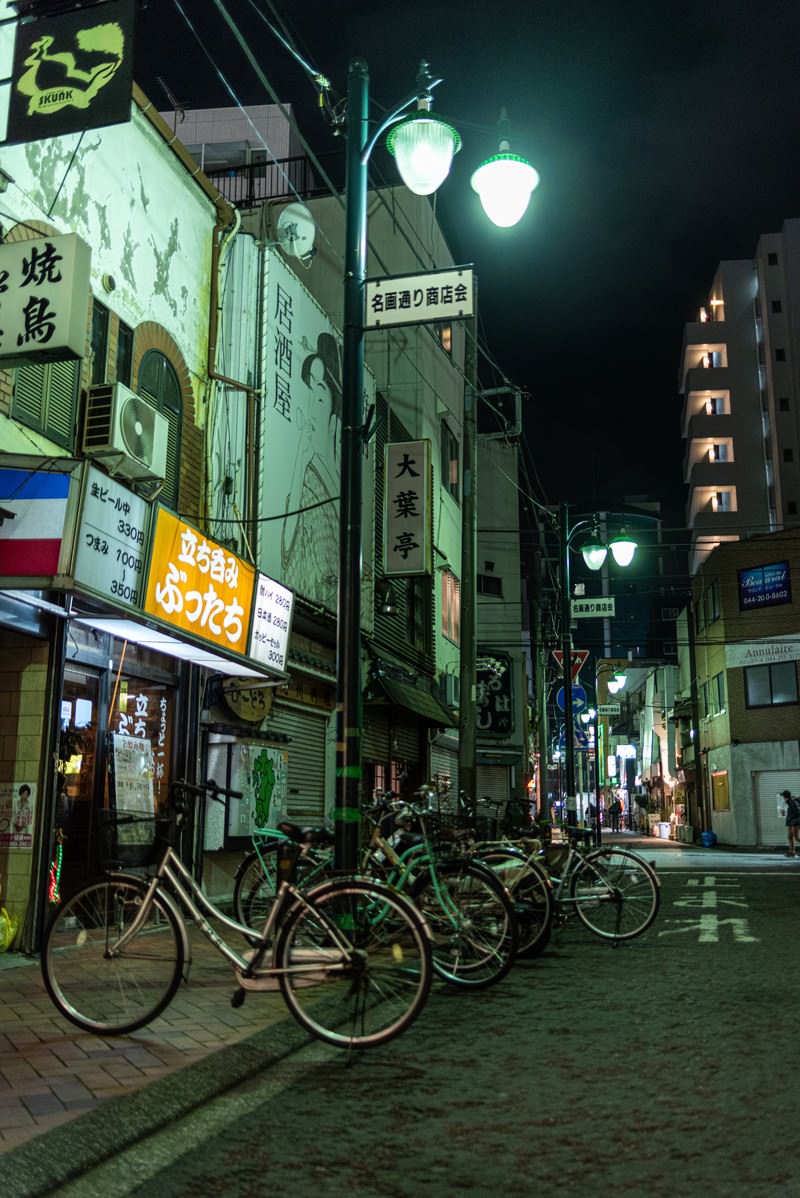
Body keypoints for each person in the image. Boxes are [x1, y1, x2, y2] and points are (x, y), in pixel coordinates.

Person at [780, 789, 800, 856]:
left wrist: (793, 822)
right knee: (790, 837)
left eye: (783, 797)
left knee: (797, 838)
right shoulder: (790, 802)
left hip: (795, 823)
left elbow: (797, 812)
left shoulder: (792, 802)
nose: (783, 799)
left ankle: (792, 851)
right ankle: (792, 852)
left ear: (786, 797)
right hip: (791, 823)